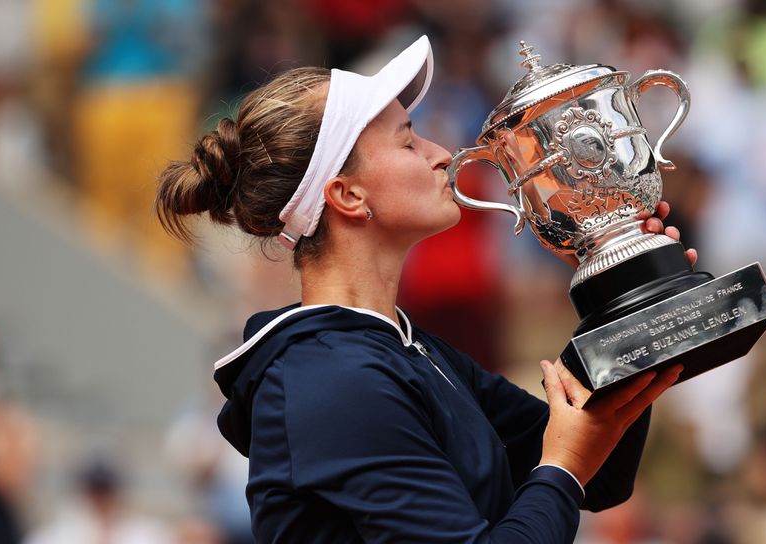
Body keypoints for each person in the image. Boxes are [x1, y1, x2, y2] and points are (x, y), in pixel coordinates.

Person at [155, 35, 693, 543]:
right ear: (346, 194)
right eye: (409, 140)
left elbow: (596, 473)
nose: (442, 153)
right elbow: (566, 467)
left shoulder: (400, 346)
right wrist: (563, 467)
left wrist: (618, 276)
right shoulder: (332, 381)